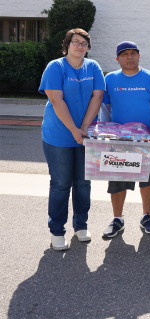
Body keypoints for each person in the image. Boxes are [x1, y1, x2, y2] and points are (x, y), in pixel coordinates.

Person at [39, 29, 105, 250]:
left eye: (84, 43)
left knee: (83, 183)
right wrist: (74, 130)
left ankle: (81, 225)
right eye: (76, 42)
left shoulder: (93, 67)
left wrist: (84, 128)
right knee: (60, 184)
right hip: (58, 135)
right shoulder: (55, 67)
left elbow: (98, 96)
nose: (80, 46)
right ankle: (57, 230)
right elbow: (56, 101)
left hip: (86, 134)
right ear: (67, 44)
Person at [101, 41, 150, 238]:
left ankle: (146, 216)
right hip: (118, 141)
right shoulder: (110, 79)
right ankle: (117, 219)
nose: (129, 57)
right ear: (117, 59)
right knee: (117, 181)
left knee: (147, 180)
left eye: (133, 53)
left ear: (139, 56)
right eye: (125, 54)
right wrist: (105, 132)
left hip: (147, 140)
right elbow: (105, 109)